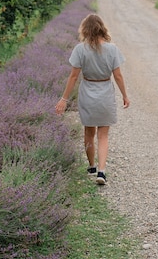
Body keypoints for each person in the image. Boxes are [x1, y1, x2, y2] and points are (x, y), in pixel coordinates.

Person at [55, 13, 130, 185]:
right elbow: (118, 76)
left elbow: (73, 77)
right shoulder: (112, 49)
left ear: (85, 30)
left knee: (89, 132)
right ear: (102, 28)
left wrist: (64, 99)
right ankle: (102, 172)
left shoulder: (80, 49)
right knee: (103, 136)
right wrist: (125, 95)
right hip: (105, 93)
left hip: (87, 92)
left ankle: (92, 166)